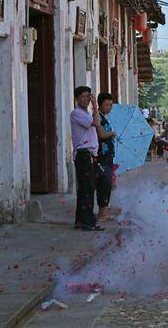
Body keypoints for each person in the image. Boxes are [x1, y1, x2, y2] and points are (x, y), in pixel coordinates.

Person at [70, 86, 104, 231]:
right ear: (77, 98)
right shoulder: (77, 113)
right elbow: (96, 123)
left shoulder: (86, 114)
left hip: (89, 154)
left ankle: (81, 220)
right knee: (86, 189)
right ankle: (87, 221)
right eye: (83, 96)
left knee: (87, 188)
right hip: (83, 154)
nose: (85, 99)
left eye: (87, 96)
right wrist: (96, 106)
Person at [95, 93, 116, 222]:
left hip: (108, 155)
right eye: (106, 105)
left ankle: (105, 211)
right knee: (104, 182)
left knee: (108, 183)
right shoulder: (98, 117)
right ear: (100, 104)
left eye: (110, 105)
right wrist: (111, 133)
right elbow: (101, 134)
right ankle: (102, 212)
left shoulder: (105, 117)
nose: (109, 107)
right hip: (101, 155)